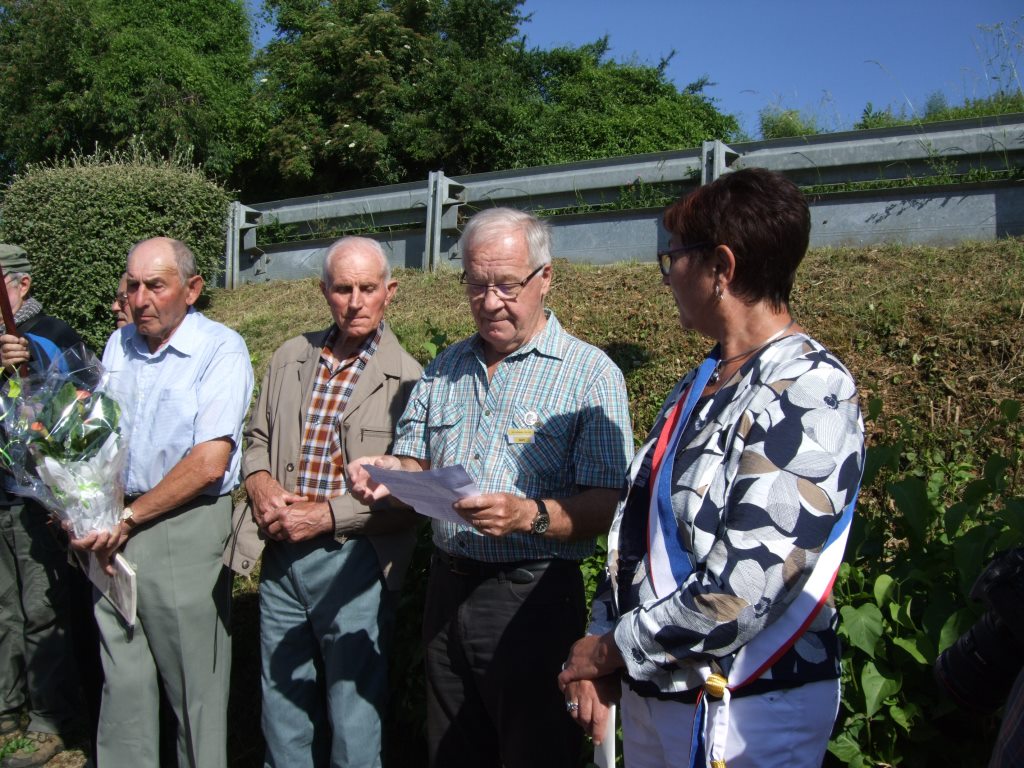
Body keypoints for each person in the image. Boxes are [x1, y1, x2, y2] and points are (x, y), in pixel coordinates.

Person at [557, 167, 865, 767]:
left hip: (748, 706)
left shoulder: (809, 389)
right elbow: (636, 535)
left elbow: (742, 588)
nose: (668, 275)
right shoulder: (700, 383)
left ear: (721, 267)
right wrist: (603, 644)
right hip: (660, 690)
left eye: (672, 258)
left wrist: (610, 651)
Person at [347, 207, 634, 768]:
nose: (490, 300)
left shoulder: (590, 374)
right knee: (453, 751)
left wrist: (527, 515)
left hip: (532, 597)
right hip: (447, 592)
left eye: (506, 284)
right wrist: (386, 471)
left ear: (545, 277)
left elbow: (609, 504)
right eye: (476, 285)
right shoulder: (446, 366)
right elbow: (416, 460)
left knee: (535, 753)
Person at [227, 236, 422, 767]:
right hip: (283, 555)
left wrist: (327, 515)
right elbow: (256, 437)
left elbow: (412, 492)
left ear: (390, 291)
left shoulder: (410, 380)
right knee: (281, 700)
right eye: (342, 288)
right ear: (324, 292)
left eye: (367, 287)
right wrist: (261, 483)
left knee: (353, 711)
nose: (355, 300)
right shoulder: (292, 354)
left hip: (355, 559)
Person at [71, 236, 254, 768]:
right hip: (112, 526)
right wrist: (81, 509)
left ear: (192, 289)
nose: (141, 297)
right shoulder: (117, 345)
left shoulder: (220, 348)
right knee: (122, 677)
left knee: (194, 684)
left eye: (157, 284)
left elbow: (209, 462)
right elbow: (98, 438)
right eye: (133, 285)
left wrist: (129, 517)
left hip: (183, 526)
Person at [0, 244, 85, 768]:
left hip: (37, 501)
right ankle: (7, 707)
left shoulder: (53, 334)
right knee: (4, 608)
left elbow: (81, 399)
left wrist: (29, 361)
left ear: (21, 285)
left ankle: (51, 716)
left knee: (41, 608)